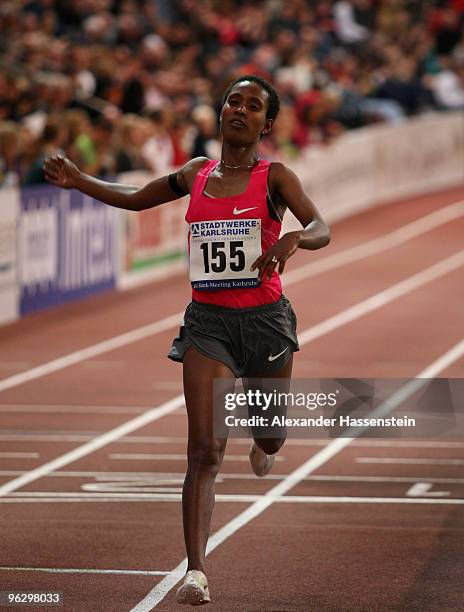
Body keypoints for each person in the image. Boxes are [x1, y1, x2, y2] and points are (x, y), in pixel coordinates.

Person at [43, 75, 330, 606]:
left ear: (266, 124)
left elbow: (322, 227)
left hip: (266, 322)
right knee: (202, 450)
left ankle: (260, 437)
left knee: (270, 440)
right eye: (232, 101)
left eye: (253, 106)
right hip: (208, 326)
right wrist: (80, 180)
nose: (239, 110)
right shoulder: (197, 173)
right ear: (220, 113)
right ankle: (196, 570)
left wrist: (293, 238)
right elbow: (134, 200)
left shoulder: (276, 178)